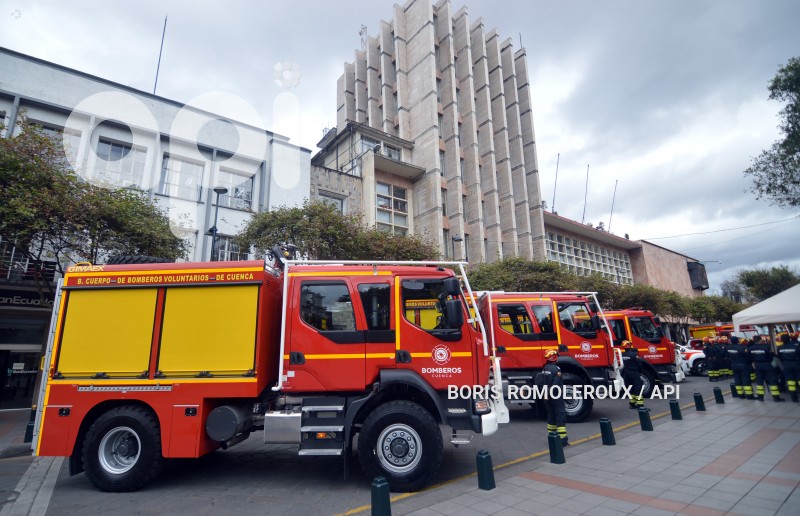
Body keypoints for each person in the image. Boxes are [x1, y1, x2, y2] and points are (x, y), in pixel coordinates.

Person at [542, 349, 568, 446]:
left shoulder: (545, 368)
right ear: (554, 357)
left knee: (551, 416)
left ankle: (552, 437)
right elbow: (556, 384)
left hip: (547, 396)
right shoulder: (556, 369)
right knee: (560, 415)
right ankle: (562, 440)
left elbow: (542, 383)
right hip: (556, 396)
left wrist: (546, 395)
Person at [750, 335, 785, 402]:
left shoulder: (751, 348)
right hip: (767, 365)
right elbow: (770, 357)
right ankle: (776, 397)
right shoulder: (766, 347)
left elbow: (750, 357)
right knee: (772, 380)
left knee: (759, 381)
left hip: (757, 366)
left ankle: (760, 397)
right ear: (760, 340)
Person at [621, 340, 645, 409]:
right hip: (634, 373)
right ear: (629, 346)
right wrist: (640, 371)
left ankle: (632, 404)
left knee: (630, 388)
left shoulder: (622, 355)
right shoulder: (633, 355)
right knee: (638, 388)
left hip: (626, 373)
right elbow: (639, 364)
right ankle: (640, 405)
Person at [777, 333, 800, 402]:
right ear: (789, 339)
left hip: (786, 365)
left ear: (781, 340)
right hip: (796, 365)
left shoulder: (779, 348)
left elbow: (779, 357)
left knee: (790, 383)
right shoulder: (796, 346)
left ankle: (794, 399)